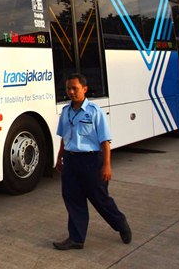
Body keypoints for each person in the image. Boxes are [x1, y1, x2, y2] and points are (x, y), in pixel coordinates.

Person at [53, 73, 132, 250]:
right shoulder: (65, 112)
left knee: (100, 199)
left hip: (91, 162)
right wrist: (59, 158)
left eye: (75, 88)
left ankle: (121, 224)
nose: (71, 92)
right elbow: (64, 138)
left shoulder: (95, 112)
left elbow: (105, 141)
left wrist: (107, 165)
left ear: (84, 89)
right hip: (71, 161)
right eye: (68, 88)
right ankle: (76, 238)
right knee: (73, 200)